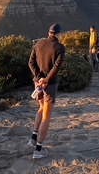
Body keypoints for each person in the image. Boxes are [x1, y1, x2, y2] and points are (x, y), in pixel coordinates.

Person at [27, 23, 66, 159]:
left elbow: (30, 63)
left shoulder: (38, 44)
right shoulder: (60, 48)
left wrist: (39, 78)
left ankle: (33, 139)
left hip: (38, 83)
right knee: (46, 117)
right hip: (49, 85)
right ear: (59, 34)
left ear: (49, 32)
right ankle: (38, 149)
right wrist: (46, 80)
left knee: (41, 109)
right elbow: (56, 68)